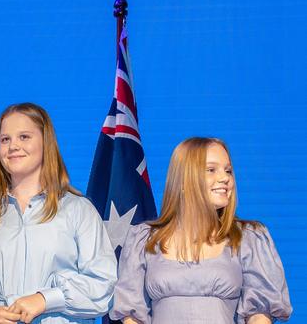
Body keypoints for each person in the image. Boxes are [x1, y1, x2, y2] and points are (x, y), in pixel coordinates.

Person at [0, 103, 117, 324]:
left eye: (24, 137)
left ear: (46, 142)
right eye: (5, 139)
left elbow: (103, 284)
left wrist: (45, 299)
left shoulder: (77, 210)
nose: (13, 146)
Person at [109, 137, 293, 324]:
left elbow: (259, 316)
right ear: (183, 179)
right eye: (211, 170)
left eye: (228, 171)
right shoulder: (143, 239)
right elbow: (132, 316)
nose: (225, 178)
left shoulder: (249, 238)